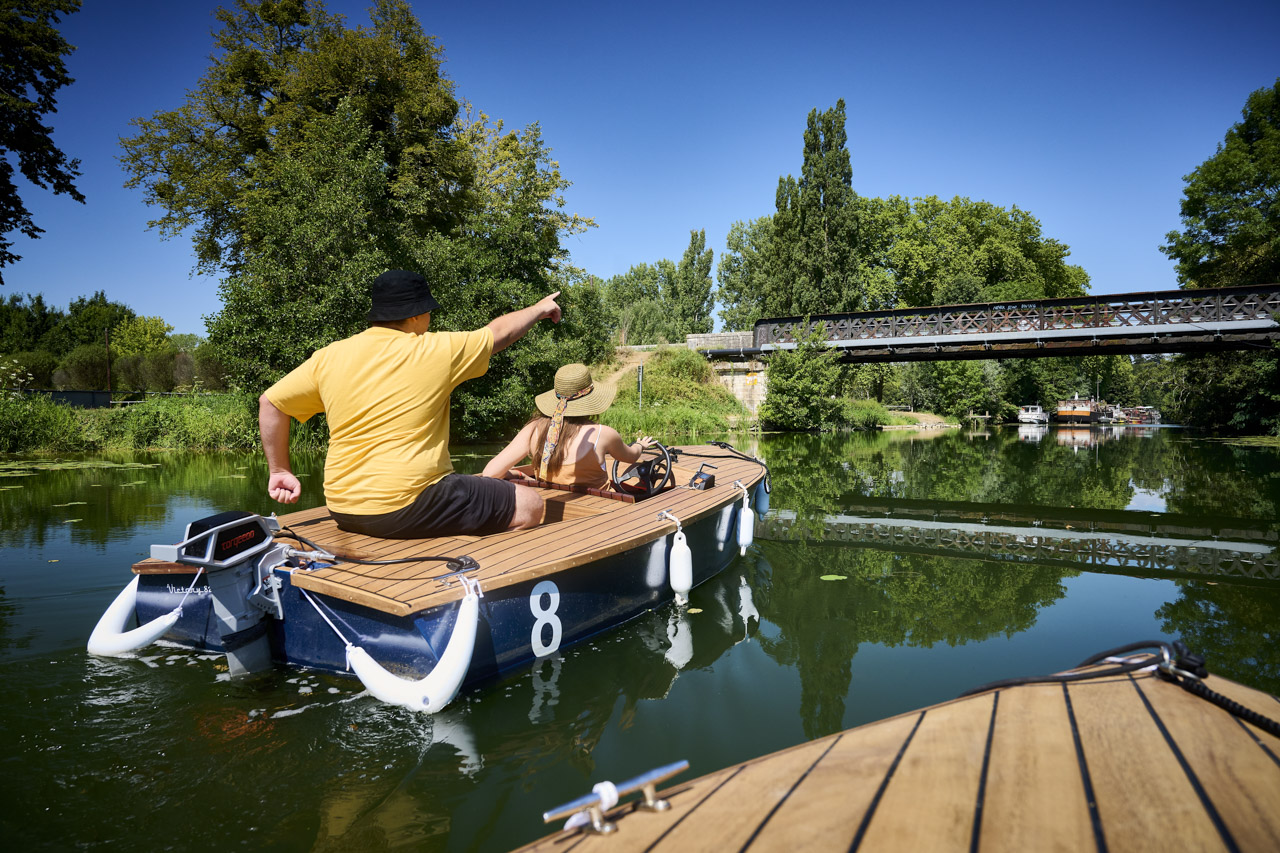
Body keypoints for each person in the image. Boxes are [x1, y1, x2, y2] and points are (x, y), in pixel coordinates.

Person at [258, 269, 560, 538]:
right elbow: (499, 333)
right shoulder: (434, 349)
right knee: (530, 504)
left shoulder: (330, 356)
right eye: (428, 313)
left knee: (470, 486)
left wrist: (280, 470)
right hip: (408, 505)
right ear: (416, 315)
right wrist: (539, 308)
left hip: (343, 508)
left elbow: (271, 403)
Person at [481, 363, 655, 488]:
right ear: (590, 400)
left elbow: (490, 473)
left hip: (549, 503)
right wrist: (640, 445)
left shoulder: (534, 429)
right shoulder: (603, 434)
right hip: (599, 512)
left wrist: (518, 474)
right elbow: (631, 457)